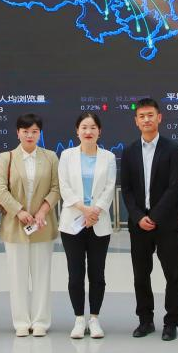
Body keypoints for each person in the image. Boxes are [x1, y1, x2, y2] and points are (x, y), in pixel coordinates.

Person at [119, 97, 178, 341]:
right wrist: (138, 217)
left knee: (172, 275)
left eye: (150, 115)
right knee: (141, 275)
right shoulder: (129, 151)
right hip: (139, 224)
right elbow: (126, 189)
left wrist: (155, 216)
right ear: (136, 121)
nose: (146, 119)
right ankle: (145, 320)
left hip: (166, 222)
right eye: (141, 116)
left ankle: (171, 322)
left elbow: (175, 186)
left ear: (159, 117)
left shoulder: (172, 149)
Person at [0, 113, 61, 337]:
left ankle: (41, 321)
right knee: (17, 276)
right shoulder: (7, 157)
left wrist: (42, 211)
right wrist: (19, 211)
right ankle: (21, 322)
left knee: (42, 276)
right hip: (15, 226)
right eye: (25, 131)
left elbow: (56, 188)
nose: (29, 135)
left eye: (34, 131)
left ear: (39, 133)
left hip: (42, 225)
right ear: (18, 133)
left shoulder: (50, 157)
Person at [57, 112, 116, 340]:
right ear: (77, 131)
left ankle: (94, 318)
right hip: (73, 223)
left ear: (99, 131)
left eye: (92, 127)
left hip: (99, 223)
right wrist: (84, 209)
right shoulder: (67, 155)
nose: (88, 131)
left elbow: (109, 187)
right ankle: (79, 319)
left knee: (97, 273)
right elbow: (64, 186)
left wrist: (95, 211)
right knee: (75, 274)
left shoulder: (108, 157)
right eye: (84, 127)